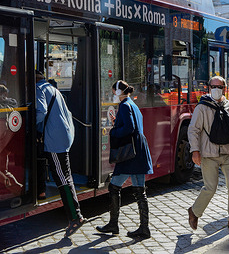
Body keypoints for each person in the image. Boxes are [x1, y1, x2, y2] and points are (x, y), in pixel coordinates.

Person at [187, 76, 229, 231]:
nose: (216, 89)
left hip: (227, 152)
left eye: (219, 87)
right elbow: (193, 130)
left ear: (224, 88)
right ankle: (194, 211)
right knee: (210, 188)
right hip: (209, 153)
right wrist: (195, 151)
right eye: (213, 86)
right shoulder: (202, 107)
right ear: (209, 87)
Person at [96, 80, 153, 239]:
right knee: (138, 190)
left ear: (118, 91)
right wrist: (117, 123)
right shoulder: (132, 104)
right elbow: (133, 125)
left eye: (113, 90)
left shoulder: (125, 105)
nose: (112, 93)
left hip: (130, 154)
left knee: (115, 187)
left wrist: (113, 131)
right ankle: (142, 227)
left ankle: (116, 224)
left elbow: (129, 128)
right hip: (137, 151)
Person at [35, 70, 87, 237]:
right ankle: (75, 216)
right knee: (65, 176)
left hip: (55, 140)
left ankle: (75, 216)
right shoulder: (53, 89)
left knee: (63, 179)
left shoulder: (39, 89)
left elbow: (41, 112)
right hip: (64, 136)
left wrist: (33, 125)